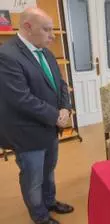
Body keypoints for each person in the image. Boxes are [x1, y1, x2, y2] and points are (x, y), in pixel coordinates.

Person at [0, 8, 74, 224]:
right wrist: (56, 116)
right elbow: (20, 99)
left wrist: (66, 109)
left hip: (50, 128)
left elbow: (60, 84)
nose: (52, 35)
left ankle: (49, 202)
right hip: (27, 132)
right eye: (47, 29)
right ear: (27, 27)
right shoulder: (7, 55)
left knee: (49, 170)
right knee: (33, 179)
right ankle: (40, 216)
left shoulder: (46, 51)